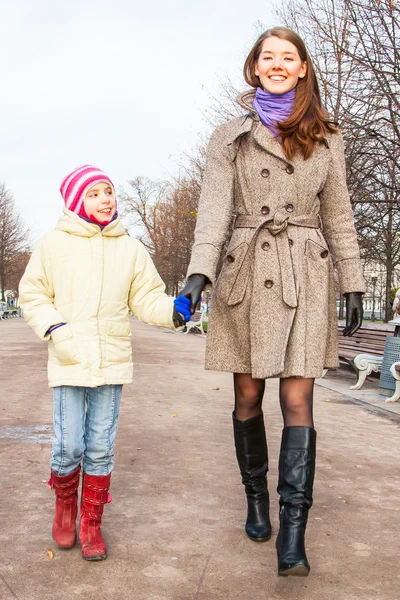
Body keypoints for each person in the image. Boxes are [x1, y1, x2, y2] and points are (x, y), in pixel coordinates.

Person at [175, 27, 365, 577]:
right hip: (247, 266)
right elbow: (213, 210)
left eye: (288, 57)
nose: (278, 65)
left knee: (299, 399)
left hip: (305, 270)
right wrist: (198, 273)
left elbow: (340, 214)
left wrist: (352, 279)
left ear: (303, 68)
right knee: (248, 393)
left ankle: (294, 529)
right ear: (254, 67)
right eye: (268, 57)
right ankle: (256, 498)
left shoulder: (328, 137)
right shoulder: (228, 137)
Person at [19, 165, 191, 561]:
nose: (105, 199)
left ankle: (90, 522)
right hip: (69, 355)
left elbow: (145, 297)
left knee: (99, 446)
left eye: (109, 192)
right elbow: (32, 295)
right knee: (68, 446)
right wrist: (57, 331)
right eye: (95, 193)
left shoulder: (129, 247)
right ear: (78, 200)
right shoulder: (52, 244)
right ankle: (64, 508)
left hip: (111, 358)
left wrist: (173, 311)